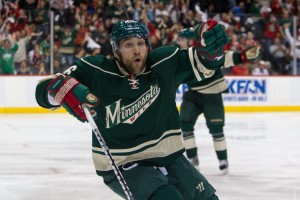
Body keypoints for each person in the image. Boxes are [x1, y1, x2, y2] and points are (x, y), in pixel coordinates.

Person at [35, 20, 260, 199]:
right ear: (116, 50)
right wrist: (58, 91)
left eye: (140, 43)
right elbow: (45, 90)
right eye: (128, 44)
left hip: (168, 156)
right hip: (123, 162)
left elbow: (206, 63)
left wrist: (213, 53)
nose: (136, 50)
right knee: (167, 197)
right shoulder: (95, 69)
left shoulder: (164, 62)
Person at [176, 27, 229, 174]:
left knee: (217, 130)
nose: (178, 42)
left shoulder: (206, 51)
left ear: (191, 41)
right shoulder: (180, 52)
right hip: (193, 94)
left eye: (181, 40)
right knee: (184, 125)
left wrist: (242, 56)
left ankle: (223, 160)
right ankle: (192, 159)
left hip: (212, 94)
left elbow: (226, 58)